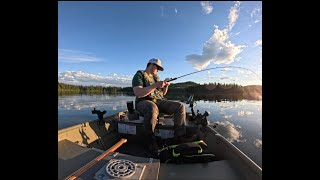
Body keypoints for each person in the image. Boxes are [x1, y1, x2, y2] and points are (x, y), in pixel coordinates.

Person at [132, 58, 188, 155]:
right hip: (143, 102)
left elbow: (163, 94)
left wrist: (165, 86)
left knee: (180, 106)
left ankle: (179, 137)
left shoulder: (156, 78)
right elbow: (138, 93)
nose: (158, 71)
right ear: (152, 65)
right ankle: (150, 141)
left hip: (158, 101)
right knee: (152, 107)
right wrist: (155, 85)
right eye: (158, 68)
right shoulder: (139, 75)